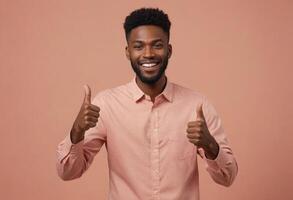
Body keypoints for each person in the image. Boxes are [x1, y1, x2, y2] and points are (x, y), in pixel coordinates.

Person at [56, 7, 238, 200]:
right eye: (139, 46)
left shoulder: (197, 105)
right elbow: (67, 173)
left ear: (169, 50)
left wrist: (210, 144)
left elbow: (228, 177)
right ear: (128, 52)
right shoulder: (107, 105)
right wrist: (77, 131)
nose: (148, 53)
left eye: (157, 45)